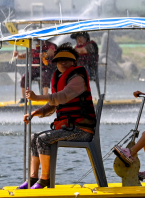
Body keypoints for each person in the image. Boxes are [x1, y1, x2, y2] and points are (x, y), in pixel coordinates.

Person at [18, 47, 95, 189]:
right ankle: (33, 178)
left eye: (67, 60)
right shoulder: (59, 78)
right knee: (34, 137)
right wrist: (34, 113)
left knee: (43, 138)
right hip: (69, 128)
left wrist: (37, 97)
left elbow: (62, 96)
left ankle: (44, 179)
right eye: (60, 61)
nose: (63, 63)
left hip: (82, 130)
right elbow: (52, 105)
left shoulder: (78, 78)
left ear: (74, 62)